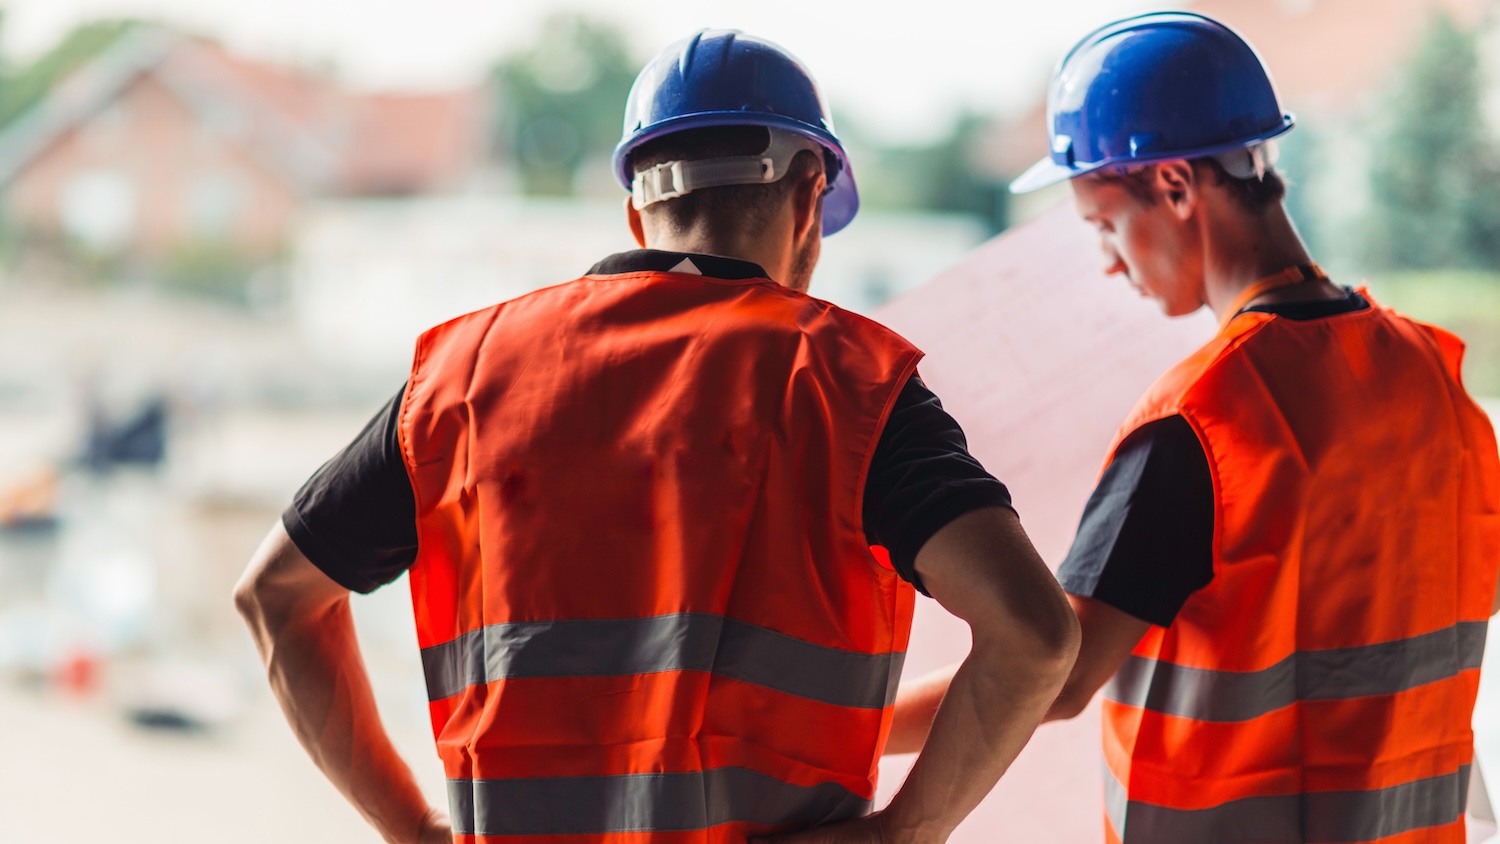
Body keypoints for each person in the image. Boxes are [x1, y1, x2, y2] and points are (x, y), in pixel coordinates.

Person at [234, 29, 1078, 844]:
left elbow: (275, 596)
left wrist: (410, 828)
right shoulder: (846, 383)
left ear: (639, 214)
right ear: (810, 196)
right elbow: (1035, 634)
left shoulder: (465, 375)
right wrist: (908, 832)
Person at [896, 11, 1500, 843]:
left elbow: (1053, 676)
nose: (1108, 260)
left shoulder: (1205, 423)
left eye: (1104, 223)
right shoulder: (1433, 376)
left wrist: (840, 729)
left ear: (1176, 187)